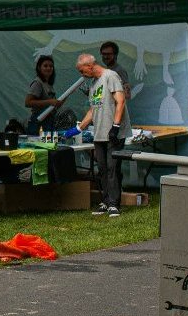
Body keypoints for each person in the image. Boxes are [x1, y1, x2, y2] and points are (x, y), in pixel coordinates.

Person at [74, 52, 127, 217]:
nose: (83, 75)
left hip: (112, 133)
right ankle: (105, 201)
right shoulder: (94, 84)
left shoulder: (110, 76)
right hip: (99, 133)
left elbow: (121, 101)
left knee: (112, 168)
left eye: (83, 71)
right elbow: (92, 110)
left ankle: (114, 204)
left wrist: (116, 126)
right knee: (102, 169)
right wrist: (78, 129)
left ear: (90, 66)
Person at [24, 55, 64, 133]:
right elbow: (27, 102)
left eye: (51, 66)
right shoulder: (38, 83)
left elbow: (51, 104)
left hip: (49, 121)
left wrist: (59, 102)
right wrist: (50, 102)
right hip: (38, 122)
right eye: (45, 66)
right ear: (39, 68)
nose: (49, 68)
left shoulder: (48, 84)